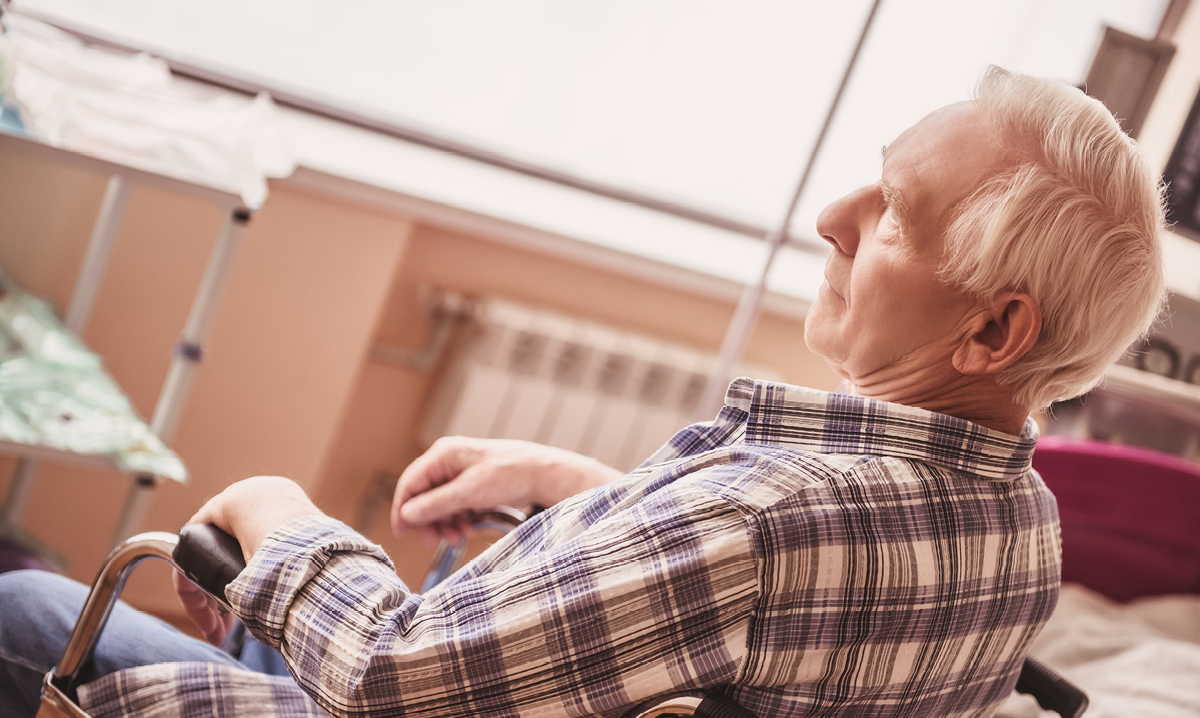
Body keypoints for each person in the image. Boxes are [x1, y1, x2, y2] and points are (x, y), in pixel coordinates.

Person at [0, 66, 1165, 718]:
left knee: (28, 606)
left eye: (897, 214)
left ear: (993, 328)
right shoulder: (1022, 527)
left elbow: (390, 675)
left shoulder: (761, 518)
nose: (834, 220)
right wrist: (573, 485)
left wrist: (270, 509)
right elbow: (789, 614)